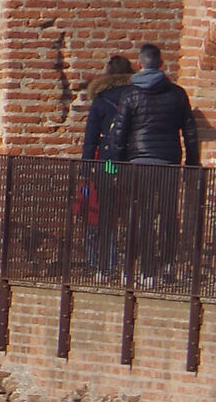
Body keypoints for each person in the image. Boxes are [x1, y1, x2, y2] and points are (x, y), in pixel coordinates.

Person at [109, 42, 199, 282]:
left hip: (137, 163)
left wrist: (115, 166)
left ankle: (139, 270)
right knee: (169, 216)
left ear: (139, 64)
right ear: (161, 64)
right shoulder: (177, 94)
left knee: (139, 216)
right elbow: (190, 133)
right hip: (168, 162)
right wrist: (192, 164)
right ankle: (166, 267)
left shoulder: (130, 95)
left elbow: (118, 134)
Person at [78, 54, 133, 277]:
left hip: (108, 162)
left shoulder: (101, 100)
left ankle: (104, 263)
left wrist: (86, 167)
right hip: (131, 161)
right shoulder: (135, 95)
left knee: (104, 211)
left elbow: (91, 137)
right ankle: (127, 265)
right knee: (129, 211)